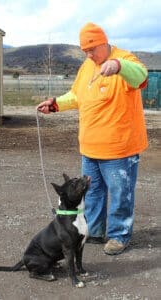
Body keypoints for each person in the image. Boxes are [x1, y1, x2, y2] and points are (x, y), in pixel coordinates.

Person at [37, 22, 148, 255]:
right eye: (85, 51)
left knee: (120, 193)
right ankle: (95, 231)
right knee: (93, 192)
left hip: (120, 148)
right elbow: (77, 96)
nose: (89, 54)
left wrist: (118, 66)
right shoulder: (87, 66)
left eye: (93, 49)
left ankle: (119, 236)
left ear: (104, 42)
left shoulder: (125, 59)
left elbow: (141, 77)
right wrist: (55, 104)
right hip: (90, 148)